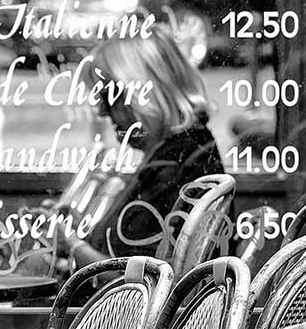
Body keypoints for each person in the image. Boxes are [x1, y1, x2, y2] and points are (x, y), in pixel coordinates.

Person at [56, 24, 222, 268]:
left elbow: (136, 277)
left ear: (143, 96)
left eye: (109, 98)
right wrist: (80, 229)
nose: (101, 111)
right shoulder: (189, 149)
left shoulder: (171, 166)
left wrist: (72, 243)